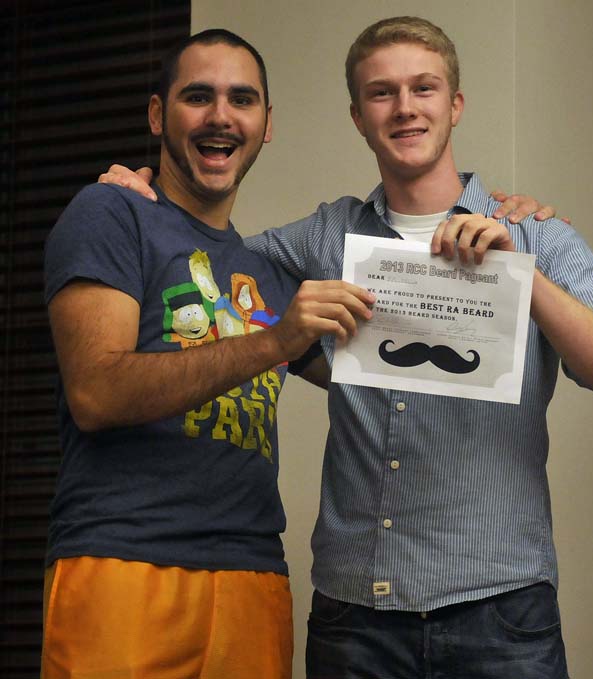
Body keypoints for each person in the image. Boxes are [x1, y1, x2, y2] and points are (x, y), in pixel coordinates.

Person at [99, 16, 593, 679]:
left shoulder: (534, 236)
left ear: (456, 105)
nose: (406, 107)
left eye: (425, 88)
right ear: (358, 116)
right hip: (354, 613)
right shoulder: (328, 235)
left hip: (500, 609)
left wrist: (520, 278)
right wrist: (145, 199)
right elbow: (214, 262)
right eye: (382, 93)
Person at [41, 29, 377, 679]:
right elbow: (96, 392)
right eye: (198, 96)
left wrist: (500, 234)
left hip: (255, 576)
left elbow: (384, 378)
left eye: (242, 99)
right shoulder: (111, 212)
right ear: (157, 115)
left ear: (265, 123)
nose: (221, 115)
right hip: (123, 561)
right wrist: (275, 341)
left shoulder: (269, 270)